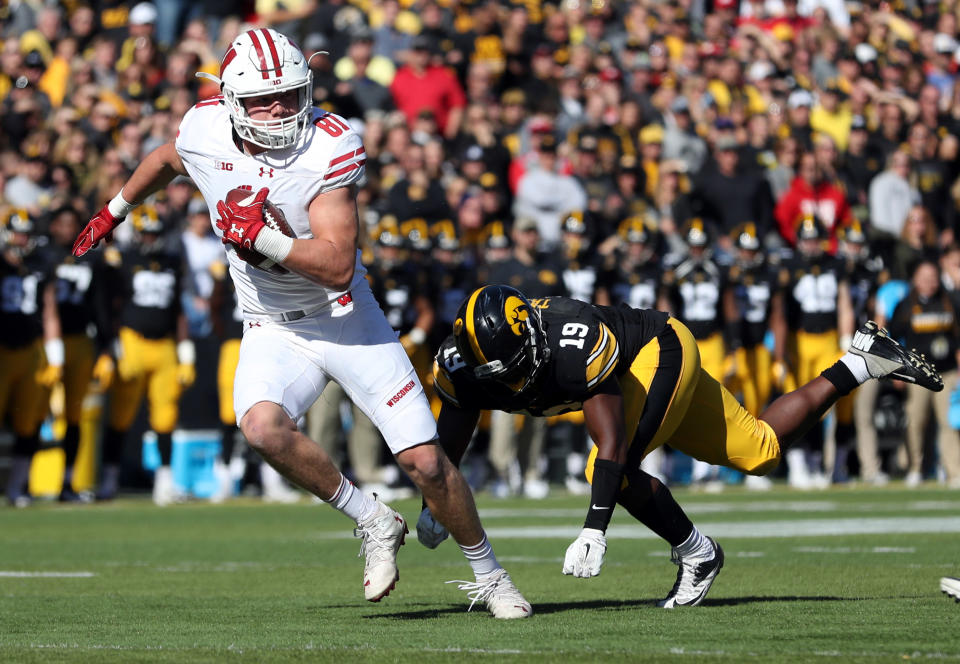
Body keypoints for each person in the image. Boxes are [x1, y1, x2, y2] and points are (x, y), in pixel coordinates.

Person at [71, 28, 530, 618]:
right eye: (264, 100)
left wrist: (262, 236)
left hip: (343, 318)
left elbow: (338, 266)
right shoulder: (205, 128)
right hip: (270, 324)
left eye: (290, 93)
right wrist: (117, 209)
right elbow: (167, 160)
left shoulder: (328, 145)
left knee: (424, 462)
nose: (281, 108)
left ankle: (490, 575)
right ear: (231, 102)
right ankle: (372, 520)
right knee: (262, 428)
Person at [421, 284, 942, 607]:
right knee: (759, 450)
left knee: (605, 471)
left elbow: (612, 442)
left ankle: (697, 554)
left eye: (518, 368)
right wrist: (433, 501)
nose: (514, 384)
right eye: (501, 376)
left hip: (657, 349)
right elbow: (458, 419)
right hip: (635, 371)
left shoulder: (569, 340)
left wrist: (593, 529)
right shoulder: (462, 364)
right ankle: (862, 361)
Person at [1, 209, 62, 507]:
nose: (21, 239)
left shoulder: (40, 264)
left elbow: (49, 309)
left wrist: (56, 356)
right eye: (17, 232)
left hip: (30, 351)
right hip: (2, 352)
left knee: (28, 422)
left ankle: (16, 488)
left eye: (25, 233)